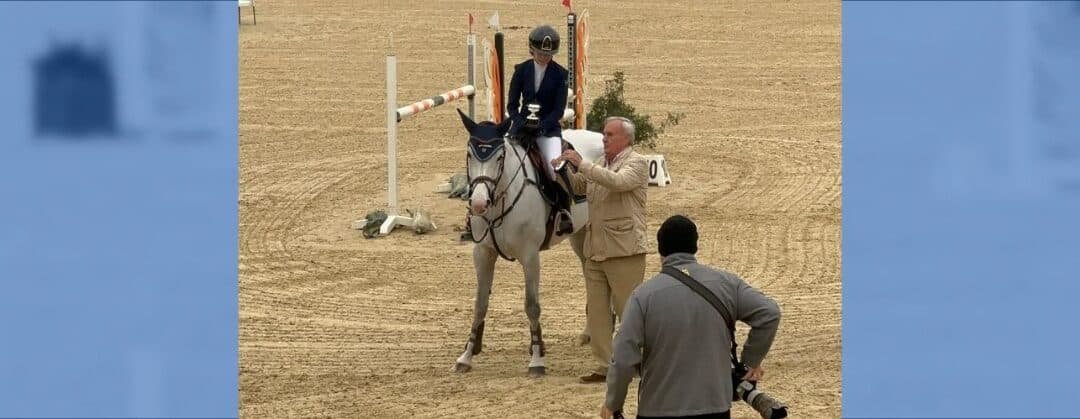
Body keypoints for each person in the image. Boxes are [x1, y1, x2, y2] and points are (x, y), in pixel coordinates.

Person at [599, 215, 782, 419]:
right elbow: (769, 313)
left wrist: (613, 403)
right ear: (695, 246)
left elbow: (623, 358)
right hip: (714, 406)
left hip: (659, 407)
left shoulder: (643, 296)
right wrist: (749, 363)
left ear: (660, 250)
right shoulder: (728, 284)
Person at [553, 116, 650, 384]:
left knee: (628, 310)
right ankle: (607, 365)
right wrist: (562, 170)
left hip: (624, 249)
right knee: (597, 312)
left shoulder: (637, 163)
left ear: (626, 139)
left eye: (609, 135)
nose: (604, 139)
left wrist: (582, 163)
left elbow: (617, 182)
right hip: (595, 248)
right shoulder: (600, 163)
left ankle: (636, 361)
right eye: (604, 134)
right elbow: (580, 187)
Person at [461, 24, 573, 241]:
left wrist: (541, 126)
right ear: (532, 50)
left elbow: (558, 110)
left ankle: (563, 210)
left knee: (554, 169)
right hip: (521, 128)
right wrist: (521, 122)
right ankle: (476, 211)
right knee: (495, 160)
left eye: (548, 54)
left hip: (548, 130)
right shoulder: (521, 71)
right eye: (540, 53)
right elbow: (512, 105)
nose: (544, 57)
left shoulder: (560, 75)